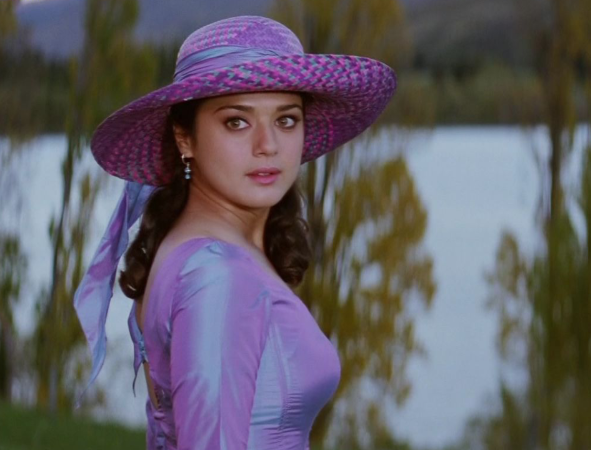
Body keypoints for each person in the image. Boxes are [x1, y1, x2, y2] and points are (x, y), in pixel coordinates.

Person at [72, 15, 396, 450]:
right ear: (185, 137)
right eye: (237, 122)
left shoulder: (197, 249)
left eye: (286, 120)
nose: (268, 145)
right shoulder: (217, 273)